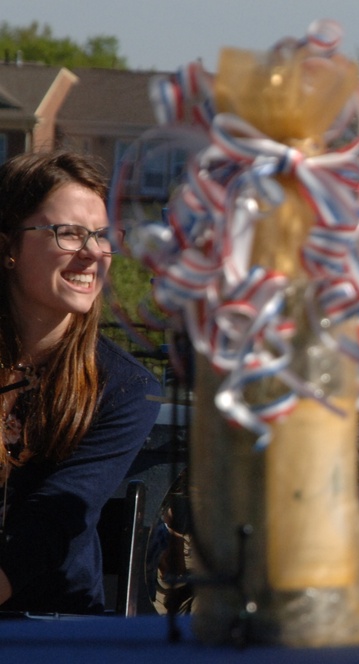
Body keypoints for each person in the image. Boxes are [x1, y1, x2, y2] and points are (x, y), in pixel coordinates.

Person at [0, 150, 162, 614]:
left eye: (103, 236)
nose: (93, 253)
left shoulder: (127, 389)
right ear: (8, 246)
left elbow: (50, 522)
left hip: (50, 629)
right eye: (69, 233)